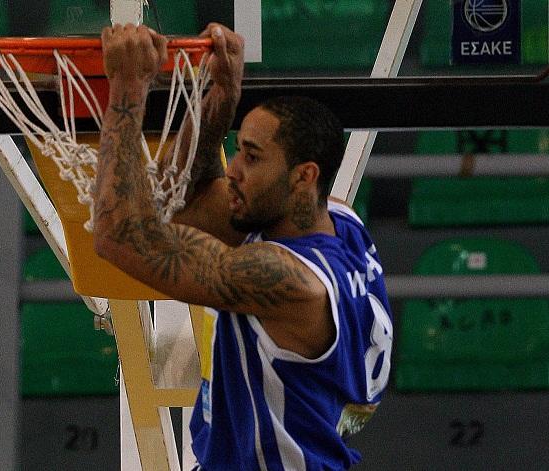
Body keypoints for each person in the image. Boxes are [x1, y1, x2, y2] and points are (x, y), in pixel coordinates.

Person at [93, 22, 393, 470]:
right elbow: (186, 200)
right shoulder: (338, 221)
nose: (233, 168)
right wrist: (221, 98)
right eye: (238, 150)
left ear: (304, 176)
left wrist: (126, 90)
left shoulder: (286, 281)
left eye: (252, 157)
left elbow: (117, 233)